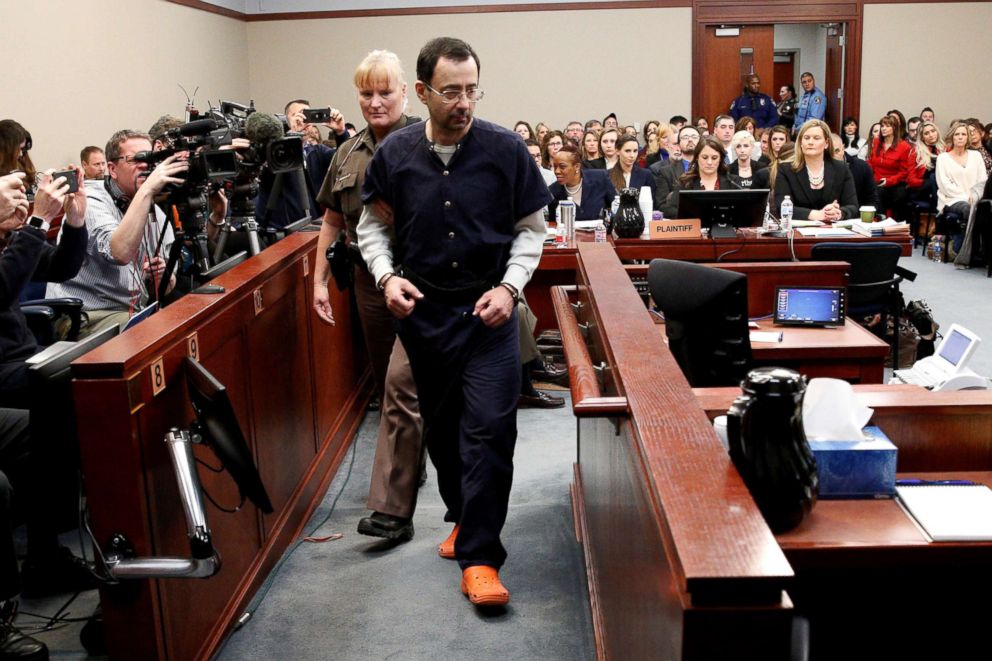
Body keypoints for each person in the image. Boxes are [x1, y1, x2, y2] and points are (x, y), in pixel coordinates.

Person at [357, 37, 551, 608]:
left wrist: (510, 287)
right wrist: (386, 277)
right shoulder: (394, 156)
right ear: (422, 93)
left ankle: (483, 558)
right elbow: (372, 228)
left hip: (489, 314)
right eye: (450, 91)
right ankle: (465, 519)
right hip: (424, 318)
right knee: (442, 436)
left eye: (471, 89)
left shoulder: (505, 150)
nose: (463, 102)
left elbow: (530, 230)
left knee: (491, 431)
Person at [312, 50, 425, 542]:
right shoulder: (348, 151)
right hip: (367, 279)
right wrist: (317, 280)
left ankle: (394, 497)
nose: (375, 102)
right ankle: (408, 461)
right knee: (388, 381)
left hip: (423, 278)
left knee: (409, 380)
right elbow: (333, 219)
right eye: (366, 93)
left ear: (406, 92)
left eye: (385, 92)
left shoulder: (429, 142)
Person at [46, 130, 208, 335]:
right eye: (136, 159)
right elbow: (119, 253)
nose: (145, 166)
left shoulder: (152, 209)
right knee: (156, 331)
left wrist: (160, 277)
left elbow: (165, 289)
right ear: (112, 169)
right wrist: (148, 189)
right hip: (85, 315)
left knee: (190, 317)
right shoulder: (91, 200)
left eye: (150, 159)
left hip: (131, 311)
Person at [255, 99, 349, 230]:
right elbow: (268, 166)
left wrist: (341, 133)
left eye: (308, 115)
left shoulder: (317, 152)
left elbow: (347, 161)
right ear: (285, 121)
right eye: (298, 115)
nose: (304, 120)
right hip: (276, 231)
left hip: (311, 229)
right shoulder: (273, 149)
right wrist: (292, 135)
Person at [775, 120, 859, 222]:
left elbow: (853, 207)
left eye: (816, 138)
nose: (810, 142)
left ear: (826, 143)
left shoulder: (841, 168)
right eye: (806, 138)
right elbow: (781, 207)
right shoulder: (786, 170)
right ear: (801, 143)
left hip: (833, 232)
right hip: (796, 233)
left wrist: (838, 213)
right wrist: (816, 215)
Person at [936, 121, 988, 266]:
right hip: (951, 200)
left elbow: (982, 180)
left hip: (975, 198)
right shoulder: (943, 158)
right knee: (967, 208)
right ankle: (968, 250)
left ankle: (982, 251)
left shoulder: (976, 156)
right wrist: (966, 196)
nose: (960, 137)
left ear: (968, 138)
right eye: (957, 134)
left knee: (983, 210)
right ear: (952, 137)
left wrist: (975, 194)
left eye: (963, 134)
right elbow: (944, 185)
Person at [670, 137, 741, 217]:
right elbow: (671, 209)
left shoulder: (733, 182)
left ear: (720, 159)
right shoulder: (685, 182)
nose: (709, 162)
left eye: (714, 158)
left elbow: (742, 210)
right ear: (697, 157)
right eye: (705, 157)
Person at [547, 143, 614, 221]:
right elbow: (554, 224)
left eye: (562, 166)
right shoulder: (552, 191)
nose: (557, 171)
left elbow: (616, 208)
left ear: (577, 166)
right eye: (555, 167)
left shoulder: (600, 178)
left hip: (600, 231)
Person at [867, 115, 912, 221]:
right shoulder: (876, 142)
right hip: (877, 180)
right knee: (876, 192)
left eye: (887, 126)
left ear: (895, 128)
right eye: (882, 126)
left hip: (895, 182)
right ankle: (879, 223)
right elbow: (871, 162)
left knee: (900, 196)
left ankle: (898, 227)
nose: (883, 128)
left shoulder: (904, 146)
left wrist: (889, 181)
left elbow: (904, 172)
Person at [652, 125, 700, 218]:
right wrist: (687, 215)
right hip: (680, 223)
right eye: (685, 137)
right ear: (678, 143)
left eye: (694, 137)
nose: (690, 140)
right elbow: (661, 206)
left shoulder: (711, 168)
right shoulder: (665, 172)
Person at [830, 132, 876, 209]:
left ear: (843, 148)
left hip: (856, 216)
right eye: (829, 152)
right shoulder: (818, 169)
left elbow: (872, 199)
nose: (833, 156)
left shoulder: (862, 167)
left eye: (837, 151)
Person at [608, 135, 656, 201]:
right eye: (627, 151)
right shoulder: (607, 175)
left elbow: (652, 202)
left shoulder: (646, 175)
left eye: (635, 151)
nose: (632, 155)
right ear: (617, 151)